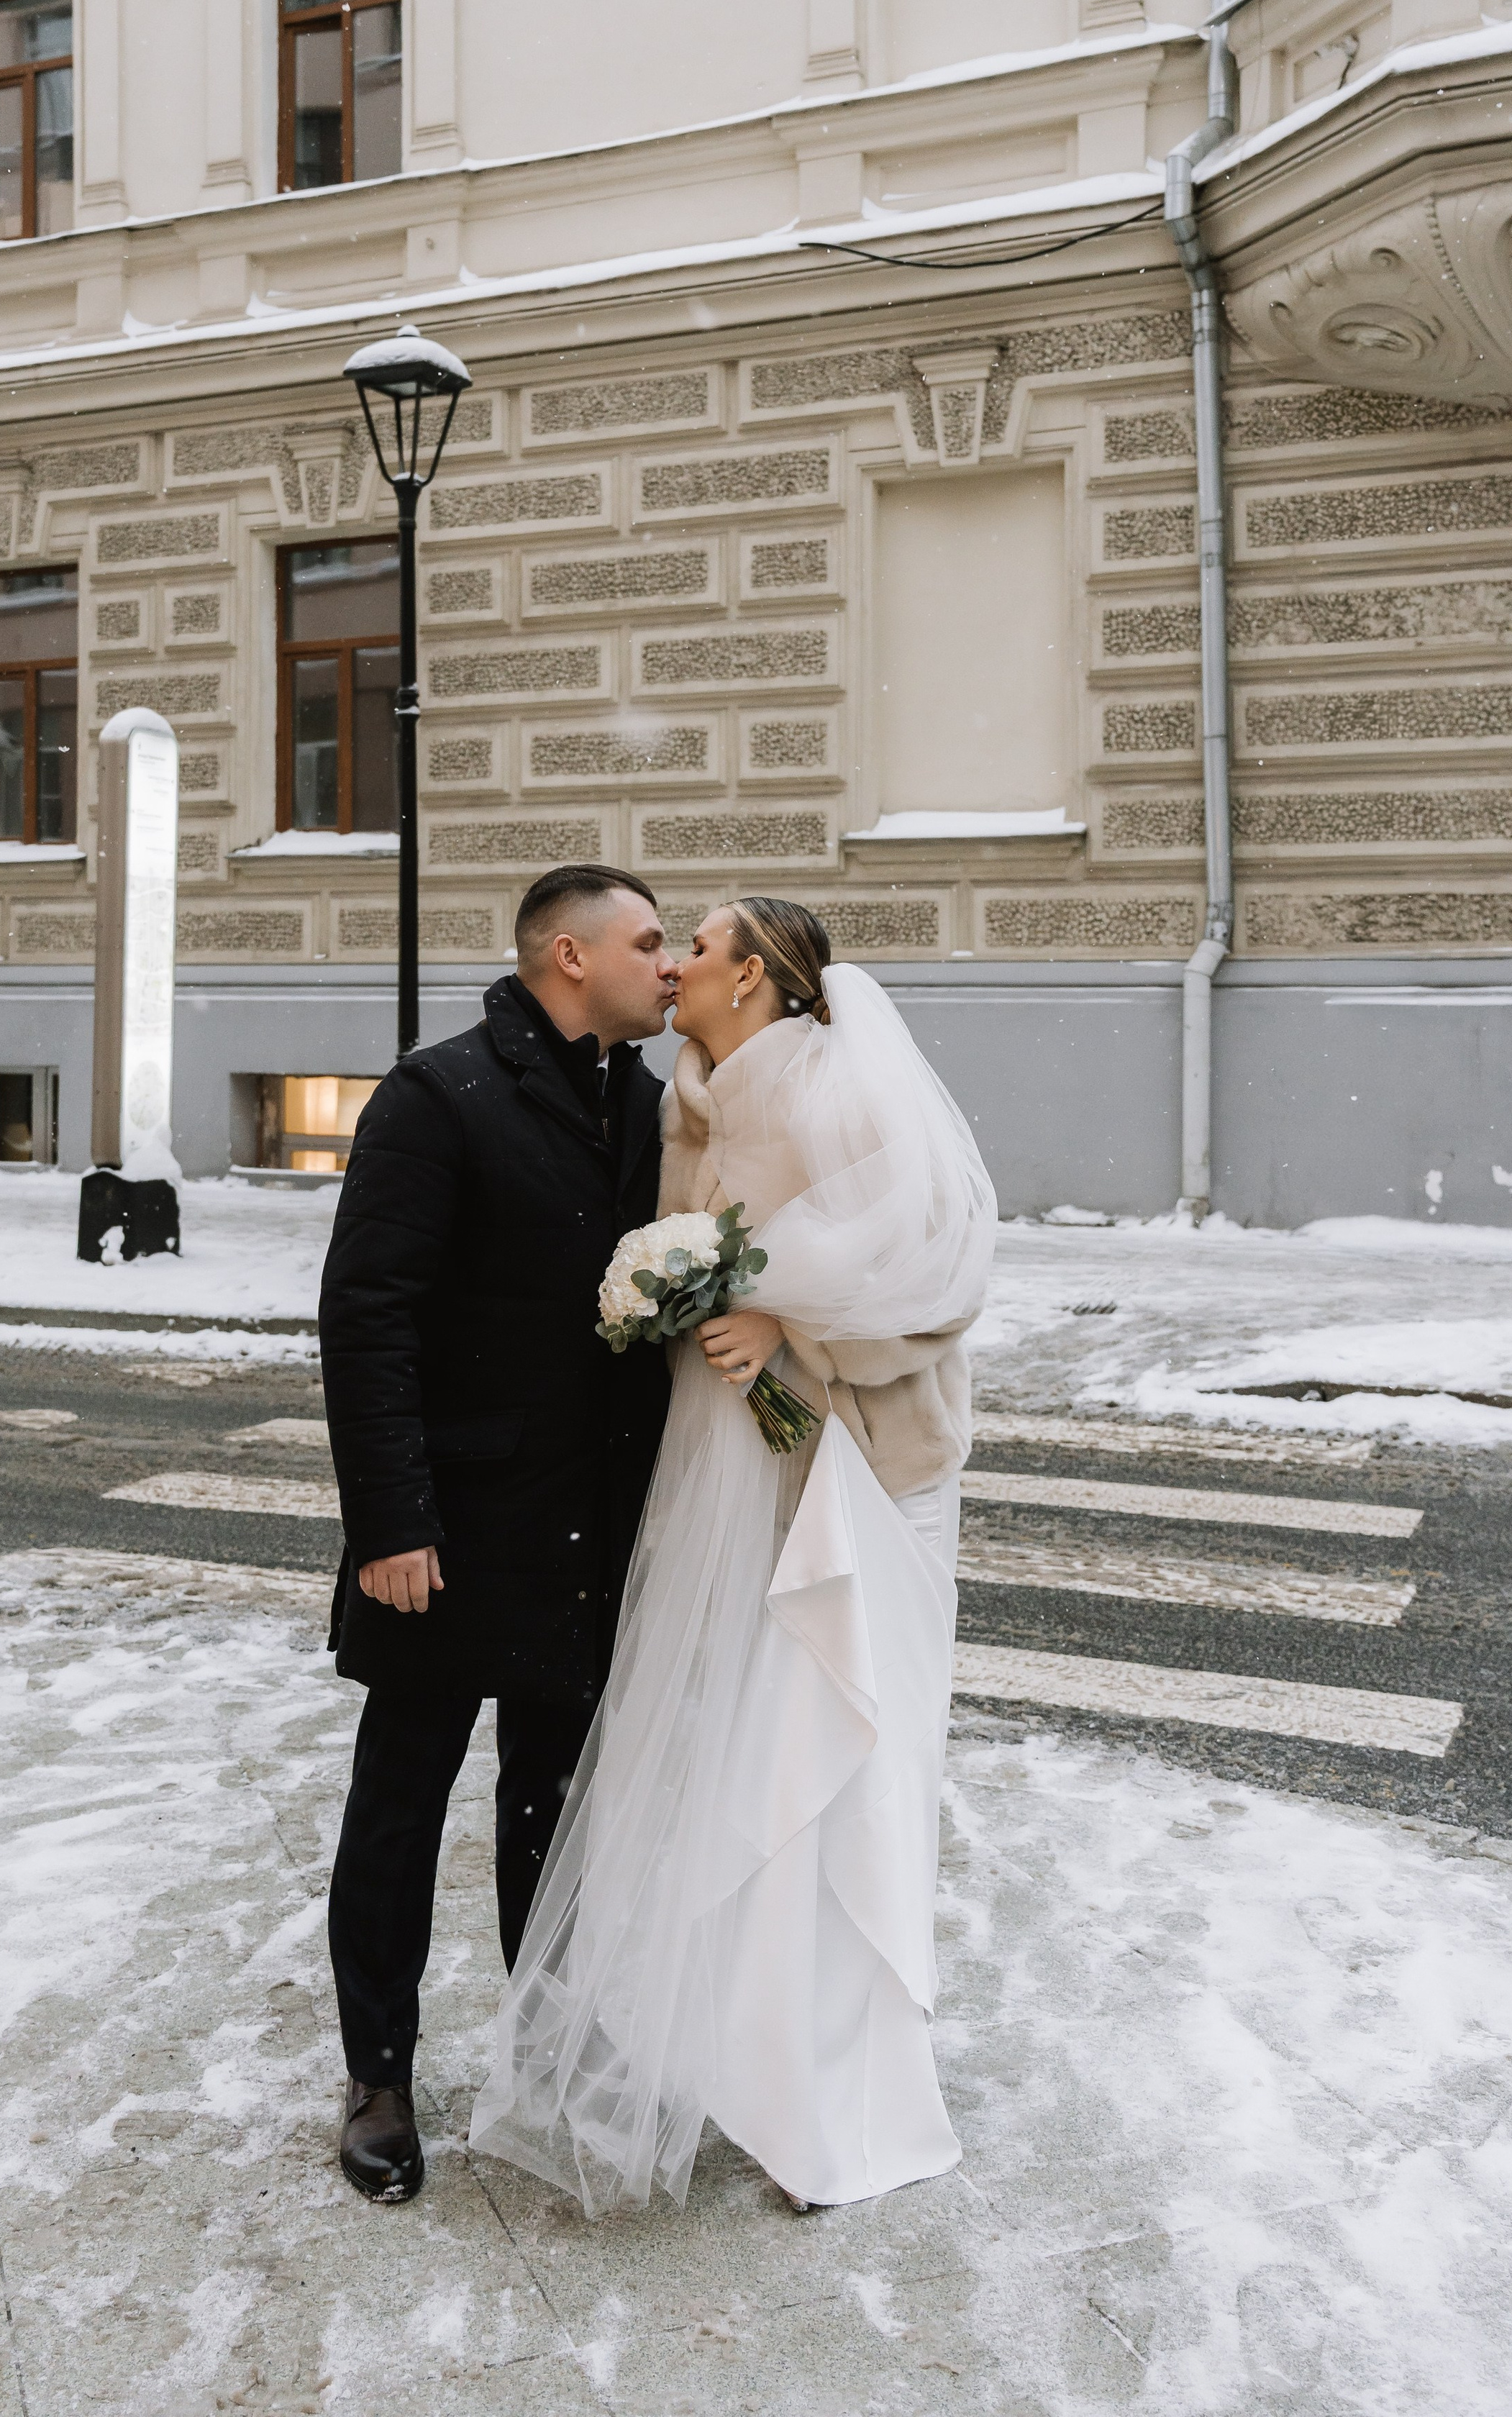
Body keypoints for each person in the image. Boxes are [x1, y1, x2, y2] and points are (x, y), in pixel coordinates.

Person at [469, 896, 996, 2215]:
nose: (674, 967)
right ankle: (746, 2066)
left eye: (693, 948)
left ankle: (835, 2095)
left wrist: (782, 1320)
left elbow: (939, 1270)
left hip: (857, 1481)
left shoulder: (829, 1083)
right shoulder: (687, 1101)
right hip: (734, 1483)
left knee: (830, 1775)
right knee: (740, 1776)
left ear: (750, 975)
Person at [319, 863, 678, 2203]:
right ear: (570, 957)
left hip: (588, 1530)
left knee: (554, 1808)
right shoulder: (440, 1094)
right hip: (450, 1533)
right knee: (401, 1805)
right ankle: (379, 2074)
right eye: (649, 942)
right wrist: (390, 1522)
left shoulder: (646, 1102)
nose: (669, 964)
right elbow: (368, 1316)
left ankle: (552, 2046)